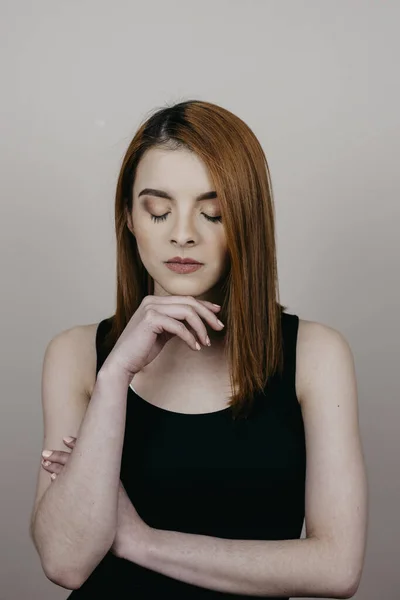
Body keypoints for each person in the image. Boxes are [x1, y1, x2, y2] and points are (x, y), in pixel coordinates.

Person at [29, 100, 368, 599]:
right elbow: (64, 561)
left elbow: (337, 568)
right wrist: (115, 373)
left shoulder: (316, 356)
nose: (182, 234)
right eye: (159, 211)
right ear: (129, 216)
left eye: (212, 213)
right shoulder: (76, 355)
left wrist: (143, 542)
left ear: (246, 222)